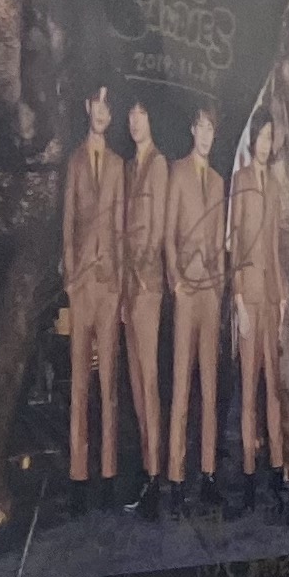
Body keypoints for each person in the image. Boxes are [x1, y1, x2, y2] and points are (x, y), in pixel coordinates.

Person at [63, 81, 128, 505]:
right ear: (88, 107)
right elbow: (67, 222)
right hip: (82, 286)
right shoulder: (73, 161)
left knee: (108, 384)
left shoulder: (119, 165)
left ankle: (108, 473)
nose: (102, 113)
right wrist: (70, 279)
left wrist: (119, 285)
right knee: (79, 384)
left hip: (108, 286)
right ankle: (78, 475)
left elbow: (120, 228)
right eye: (97, 105)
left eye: (108, 107)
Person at [163, 100, 228, 513]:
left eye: (211, 129)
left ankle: (207, 474)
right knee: (182, 385)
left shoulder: (219, 182)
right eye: (201, 127)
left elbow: (220, 241)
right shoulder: (178, 172)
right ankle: (175, 478)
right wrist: (175, 282)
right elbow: (168, 235)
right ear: (192, 130)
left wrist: (219, 286)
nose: (206, 135)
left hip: (211, 293)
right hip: (186, 291)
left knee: (210, 387)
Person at [232, 115, 289, 509]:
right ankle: (250, 472)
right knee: (250, 389)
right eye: (262, 137)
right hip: (248, 299)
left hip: (271, 297)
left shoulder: (274, 184)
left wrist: (282, 296)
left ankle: (277, 468)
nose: (266, 144)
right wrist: (238, 300)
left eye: (271, 138)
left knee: (274, 388)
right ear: (253, 140)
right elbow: (236, 245)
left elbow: (275, 245)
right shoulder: (240, 182)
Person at [116, 93, 170, 514]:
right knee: (135, 382)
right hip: (129, 291)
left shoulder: (158, 164)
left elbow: (157, 231)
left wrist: (140, 273)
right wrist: (122, 289)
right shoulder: (129, 168)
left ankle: (156, 475)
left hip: (149, 287)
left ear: (152, 119)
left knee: (149, 381)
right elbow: (122, 232)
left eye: (141, 114)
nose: (135, 122)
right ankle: (148, 469)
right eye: (131, 114)